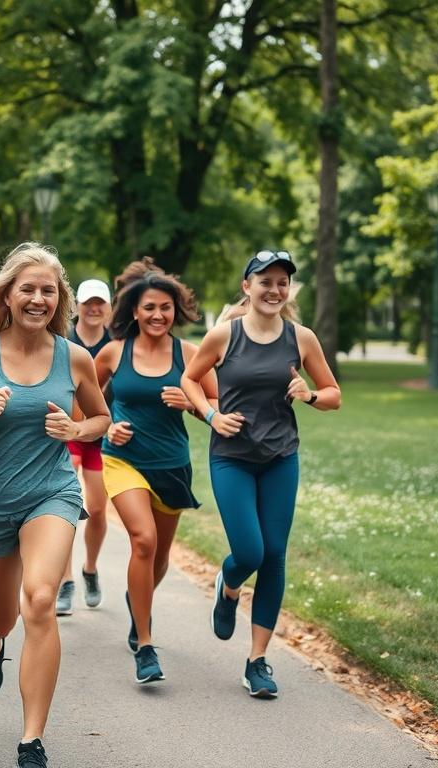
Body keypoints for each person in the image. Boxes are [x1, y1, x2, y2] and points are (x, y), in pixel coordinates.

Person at [0, 243, 110, 768]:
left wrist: (77, 427)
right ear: (9, 295)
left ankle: (31, 739)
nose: (38, 299)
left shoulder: (74, 356)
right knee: (1, 615)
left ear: (59, 299)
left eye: (48, 291)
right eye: (28, 289)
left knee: (39, 600)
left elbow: (99, 419)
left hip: (51, 492)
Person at [180, 249, 340, 698]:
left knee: (274, 555)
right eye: (264, 281)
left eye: (281, 282)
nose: (273, 289)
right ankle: (228, 585)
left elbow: (333, 394)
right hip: (231, 456)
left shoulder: (301, 338)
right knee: (248, 552)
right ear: (247, 287)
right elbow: (191, 379)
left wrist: (308, 396)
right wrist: (212, 416)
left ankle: (257, 661)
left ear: (288, 291)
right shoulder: (224, 335)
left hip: (280, 458)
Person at [92, 259, 216, 684]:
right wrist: (109, 424)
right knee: (142, 541)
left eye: (165, 307)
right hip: (122, 460)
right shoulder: (113, 352)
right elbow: (82, 402)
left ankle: (137, 603)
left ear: (174, 310)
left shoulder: (190, 355)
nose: (157, 315)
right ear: (135, 310)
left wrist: (193, 405)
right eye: (149, 307)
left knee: (159, 557)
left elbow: (218, 412)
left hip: (172, 464)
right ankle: (146, 645)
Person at [56, 279, 113, 615]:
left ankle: (89, 568)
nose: (93, 309)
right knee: (66, 506)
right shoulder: (64, 342)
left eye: (99, 303)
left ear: (108, 307)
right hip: (67, 433)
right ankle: (65, 581)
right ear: (77, 305)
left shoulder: (115, 345)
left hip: (103, 436)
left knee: (98, 509)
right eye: (88, 302)